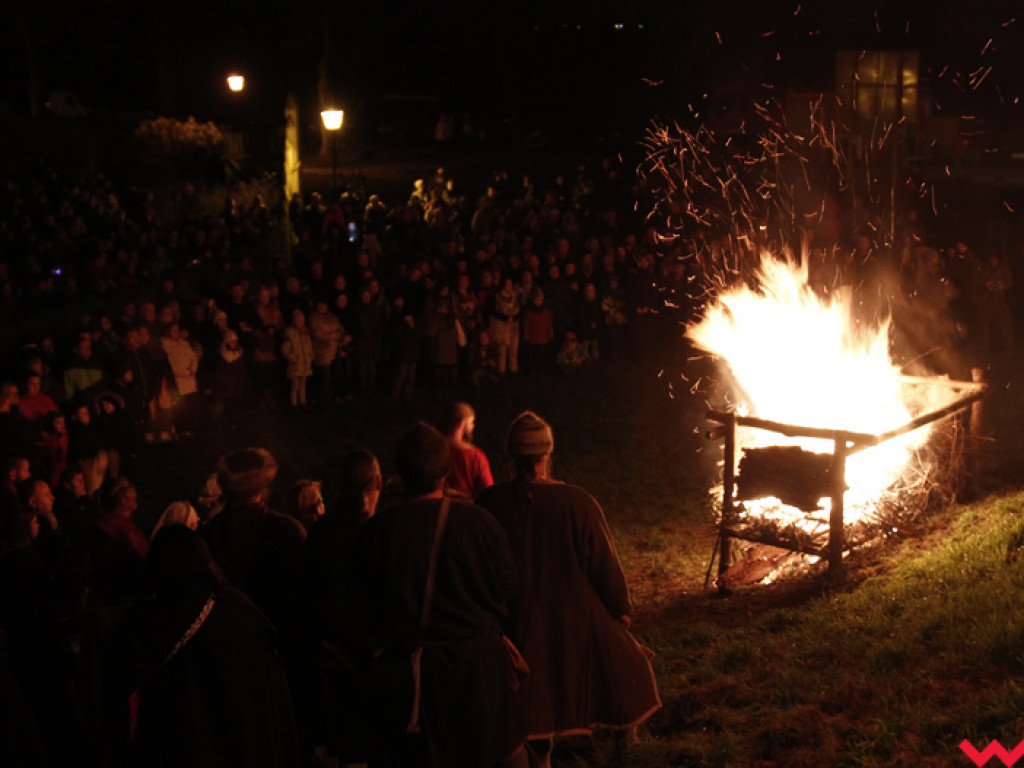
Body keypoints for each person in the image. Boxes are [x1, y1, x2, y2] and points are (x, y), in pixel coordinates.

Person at [477, 411, 661, 766]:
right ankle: (612, 740)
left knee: (620, 658)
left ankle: (607, 744)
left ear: (511, 458)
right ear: (546, 455)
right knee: (623, 655)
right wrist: (619, 608)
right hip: (568, 616)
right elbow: (603, 565)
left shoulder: (489, 503)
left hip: (515, 620)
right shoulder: (577, 503)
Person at [348, 423, 529, 768]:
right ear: (445, 471)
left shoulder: (377, 533)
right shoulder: (481, 523)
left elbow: (360, 610)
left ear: (400, 473)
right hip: (478, 672)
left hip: (413, 682)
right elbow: (508, 590)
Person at [104, 526, 300, 768]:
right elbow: (272, 701)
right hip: (244, 747)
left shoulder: (143, 627)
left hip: (178, 750)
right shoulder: (241, 612)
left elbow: (116, 689)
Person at [445, 402, 493, 499]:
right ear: (462, 424)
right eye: (471, 422)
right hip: (463, 509)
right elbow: (489, 492)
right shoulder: (476, 456)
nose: (473, 426)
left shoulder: (436, 448)